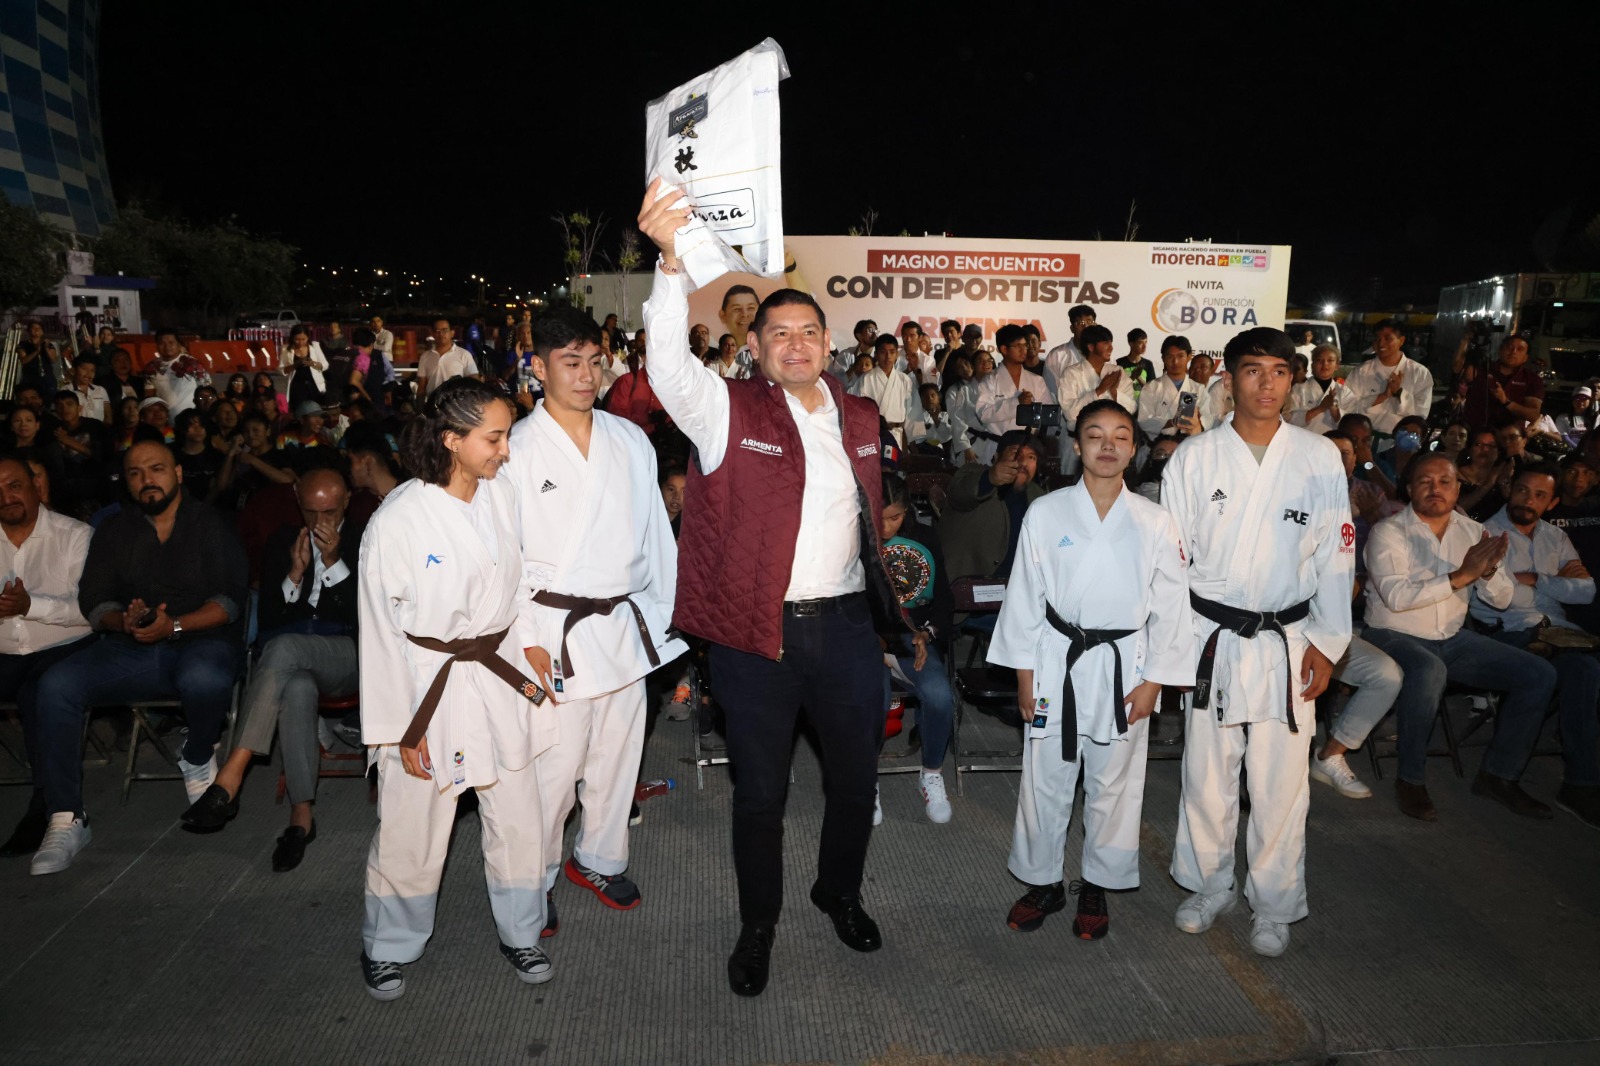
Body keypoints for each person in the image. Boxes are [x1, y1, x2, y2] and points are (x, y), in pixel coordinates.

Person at [640, 179, 910, 997]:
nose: (795, 344)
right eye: (779, 333)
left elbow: (872, 517)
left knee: (856, 781)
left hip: (847, 633)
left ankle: (840, 892)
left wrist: (894, 612)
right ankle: (758, 926)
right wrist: (667, 263)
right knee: (760, 794)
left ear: (829, 341)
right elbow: (662, 364)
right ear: (754, 345)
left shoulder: (861, 416)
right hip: (756, 638)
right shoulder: (724, 410)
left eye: (808, 331)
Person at [356, 378, 555, 1001]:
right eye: (493, 437)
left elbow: (518, 583)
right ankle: (388, 945)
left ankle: (522, 929)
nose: (504, 450)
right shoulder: (399, 521)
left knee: (520, 815)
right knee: (414, 825)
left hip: (495, 674)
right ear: (452, 440)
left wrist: (531, 640)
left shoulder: (497, 496)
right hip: (426, 687)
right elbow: (380, 632)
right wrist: (399, 730)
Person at [1162, 326, 1353, 958]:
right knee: (1207, 773)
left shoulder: (1319, 456)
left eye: (1278, 371)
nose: (1266, 383)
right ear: (1229, 380)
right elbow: (1171, 562)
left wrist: (1327, 643)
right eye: (1252, 370)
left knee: (1281, 782)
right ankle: (1209, 884)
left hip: (1288, 638)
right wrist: (1174, 647)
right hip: (1212, 634)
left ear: (1292, 381)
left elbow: (1336, 558)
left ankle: (1272, 904)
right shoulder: (1194, 457)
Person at [504, 308, 685, 932]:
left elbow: (657, 538)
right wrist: (524, 640)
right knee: (552, 771)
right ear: (539, 366)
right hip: (552, 632)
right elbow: (503, 558)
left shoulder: (630, 439)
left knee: (618, 756)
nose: (586, 376)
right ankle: (538, 875)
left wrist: (667, 623)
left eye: (594, 361)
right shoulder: (518, 448)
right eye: (570, 362)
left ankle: (600, 857)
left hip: (623, 629)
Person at [990, 400, 1193, 938]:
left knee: (1115, 783)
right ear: (1076, 446)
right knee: (1045, 778)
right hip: (1057, 660)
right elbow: (1025, 599)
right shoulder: (1047, 511)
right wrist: (1024, 678)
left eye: (1120, 436)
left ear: (1133, 447)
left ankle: (1098, 882)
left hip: (1126, 665)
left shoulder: (1155, 520)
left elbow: (1172, 606)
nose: (1107, 445)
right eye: (1095, 435)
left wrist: (1154, 683)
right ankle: (1043, 881)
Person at [28, 442, 249, 875]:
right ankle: (66, 816)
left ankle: (199, 753)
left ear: (179, 473)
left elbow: (230, 600)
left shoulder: (210, 524)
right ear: (126, 482)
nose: (147, 479)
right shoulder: (114, 530)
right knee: (55, 685)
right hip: (130, 648)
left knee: (205, 678)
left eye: (157, 468)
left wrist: (177, 625)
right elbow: (94, 602)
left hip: (200, 642)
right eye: (135, 473)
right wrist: (123, 622)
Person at [179, 470, 365, 870]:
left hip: (349, 655)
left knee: (283, 650)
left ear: (346, 501)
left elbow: (366, 618)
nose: (319, 523)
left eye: (329, 511)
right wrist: (295, 575)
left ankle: (231, 775)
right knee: (295, 686)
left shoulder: (364, 539)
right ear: (297, 500)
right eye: (310, 511)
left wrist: (333, 562)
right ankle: (302, 817)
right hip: (291, 657)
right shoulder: (284, 540)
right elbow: (268, 621)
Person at [1360, 454, 1558, 821]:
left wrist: (1490, 571)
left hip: (1451, 638)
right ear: (1408, 488)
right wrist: (1461, 576)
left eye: (1445, 481)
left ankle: (1499, 775)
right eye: (1425, 481)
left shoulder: (1471, 531)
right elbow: (1397, 599)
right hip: (1391, 633)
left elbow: (1500, 599)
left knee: (1539, 674)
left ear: (1458, 488)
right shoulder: (1389, 531)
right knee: (1429, 669)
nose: (1436, 488)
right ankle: (1410, 778)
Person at [1469, 464, 1600, 828]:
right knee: (1541, 672)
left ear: (1552, 502)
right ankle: (1498, 775)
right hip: (1503, 630)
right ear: (1510, 489)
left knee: (1586, 671)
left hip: (1558, 633)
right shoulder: (1484, 532)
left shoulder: (1555, 538)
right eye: (1523, 490)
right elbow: (1497, 598)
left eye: (1540, 495)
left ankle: (1580, 784)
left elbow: (1587, 590)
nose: (1529, 500)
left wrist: (1536, 578)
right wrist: (1555, 582)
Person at [0, 458, 94, 858]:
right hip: (5, 651)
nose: (6, 497)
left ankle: (53, 807)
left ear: (36, 486)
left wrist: (29, 605)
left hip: (64, 645)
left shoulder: (74, 535)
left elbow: (91, 608)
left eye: (14, 485)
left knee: (43, 690)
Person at [878, 473, 957, 821]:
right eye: (879, 516)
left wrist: (928, 632)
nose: (886, 525)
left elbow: (943, 601)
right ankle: (864, 779)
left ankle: (931, 773)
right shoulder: (855, 536)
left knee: (940, 696)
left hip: (913, 641)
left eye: (894, 517)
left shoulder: (924, 537)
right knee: (871, 698)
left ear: (907, 511)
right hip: (868, 642)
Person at [942, 431, 1047, 583]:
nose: (1023, 462)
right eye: (1015, 453)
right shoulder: (974, 474)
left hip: (1020, 588)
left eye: (1032, 457)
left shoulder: (1039, 497)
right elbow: (960, 493)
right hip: (969, 585)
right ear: (996, 457)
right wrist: (990, 478)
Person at [974, 325, 1053, 463]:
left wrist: (1032, 410)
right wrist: (1017, 403)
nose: (1024, 350)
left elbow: (1048, 414)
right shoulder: (990, 380)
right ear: (1004, 349)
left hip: (1027, 448)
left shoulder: (1037, 380)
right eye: (1018, 346)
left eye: (1025, 345)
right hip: (997, 447)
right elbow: (984, 414)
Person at [1344, 319, 1433, 435]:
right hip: (1367, 440)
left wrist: (1399, 392)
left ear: (1401, 340)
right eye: (1377, 338)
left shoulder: (1419, 373)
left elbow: (1421, 413)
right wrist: (1382, 396)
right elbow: (1347, 406)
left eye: (1388, 338)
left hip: (1402, 443)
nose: (1381, 343)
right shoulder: (1361, 371)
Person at [1055, 325, 1137, 435]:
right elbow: (1070, 413)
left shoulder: (1117, 372)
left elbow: (1132, 408)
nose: (1111, 348)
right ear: (1091, 347)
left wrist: (1114, 393)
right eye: (1105, 343)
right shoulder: (1071, 373)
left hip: (1113, 435)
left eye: (1111, 343)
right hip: (1081, 437)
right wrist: (1098, 391)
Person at [1461, 330, 1543, 433]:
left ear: (1526, 358)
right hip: (1475, 433)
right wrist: (1465, 340)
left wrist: (1506, 402)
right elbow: (1458, 369)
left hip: (1509, 439)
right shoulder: (1482, 368)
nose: (1514, 352)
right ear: (1500, 350)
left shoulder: (1532, 379)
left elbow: (1533, 415)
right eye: (1509, 347)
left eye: (1520, 349)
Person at [1137, 335, 1209, 439]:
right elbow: (1143, 421)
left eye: (1180, 356)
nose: (1175, 362)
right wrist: (1172, 422)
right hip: (1158, 446)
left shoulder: (1199, 389)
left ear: (1189, 357)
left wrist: (1197, 422)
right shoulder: (1151, 388)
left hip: (1190, 445)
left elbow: (1209, 418)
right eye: (1170, 357)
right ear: (1163, 359)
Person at [851, 334, 916, 446]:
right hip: (872, 434)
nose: (888, 357)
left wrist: (912, 442)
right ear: (876, 354)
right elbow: (854, 409)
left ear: (897, 354)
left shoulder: (904, 379)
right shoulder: (866, 379)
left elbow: (912, 412)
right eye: (883, 352)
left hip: (897, 435)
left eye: (892, 352)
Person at [1289, 345, 1355, 435]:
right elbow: (1289, 419)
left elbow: (1351, 424)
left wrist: (1334, 409)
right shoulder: (1298, 389)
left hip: (1332, 443)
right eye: (1319, 360)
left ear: (1337, 366)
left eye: (1330, 360)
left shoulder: (1344, 392)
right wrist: (1320, 408)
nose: (1325, 364)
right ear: (1312, 365)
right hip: (1304, 441)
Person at [145, 329, 211, 415]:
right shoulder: (151, 368)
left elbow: (207, 390)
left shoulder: (193, 364)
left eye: (171, 342)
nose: (167, 346)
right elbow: (149, 396)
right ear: (157, 345)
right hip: (164, 419)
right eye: (162, 343)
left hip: (190, 418)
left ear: (178, 344)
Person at [1041, 305, 1096, 399]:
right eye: (1080, 323)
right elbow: (1051, 392)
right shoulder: (1057, 355)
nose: (1086, 326)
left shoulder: (1105, 355)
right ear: (1072, 328)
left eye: (1089, 321)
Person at [279, 325, 329, 413]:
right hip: (297, 386)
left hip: (314, 385)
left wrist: (313, 363)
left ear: (308, 337)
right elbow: (282, 371)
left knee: (316, 410)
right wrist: (295, 365)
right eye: (297, 339)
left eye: (303, 339)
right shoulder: (286, 349)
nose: (300, 342)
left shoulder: (314, 346)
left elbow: (325, 365)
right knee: (299, 410)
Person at [67, 359, 110, 424]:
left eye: (92, 370)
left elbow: (108, 416)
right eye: (84, 369)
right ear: (74, 370)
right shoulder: (67, 390)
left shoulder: (100, 390)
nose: (89, 373)